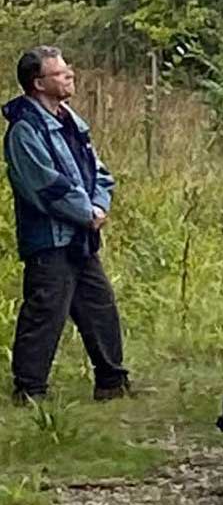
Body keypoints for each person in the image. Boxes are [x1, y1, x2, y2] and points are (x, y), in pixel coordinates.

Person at [4, 46, 130, 404]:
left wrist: (99, 204)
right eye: (60, 73)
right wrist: (87, 213)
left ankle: (112, 383)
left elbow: (100, 173)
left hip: (80, 237)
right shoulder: (24, 131)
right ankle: (29, 391)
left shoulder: (71, 122)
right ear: (38, 83)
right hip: (49, 239)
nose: (70, 76)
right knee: (45, 313)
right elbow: (45, 187)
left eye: (67, 70)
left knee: (99, 306)